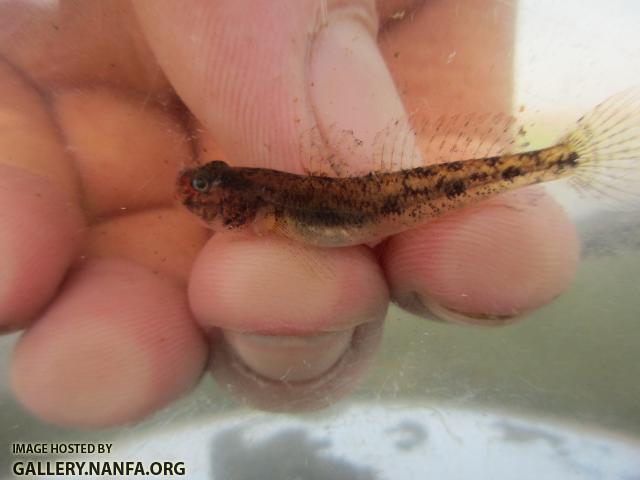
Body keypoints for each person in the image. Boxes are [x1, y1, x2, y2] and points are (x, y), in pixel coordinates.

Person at [0, 0, 578, 427]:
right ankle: (552, 162)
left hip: (393, 196)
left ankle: (557, 160)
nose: (194, 194)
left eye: (204, 187)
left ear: (240, 203)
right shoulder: (264, 210)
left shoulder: (268, 210)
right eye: (202, 186)